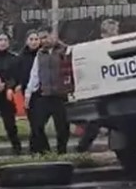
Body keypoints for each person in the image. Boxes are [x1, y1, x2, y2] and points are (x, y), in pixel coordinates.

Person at [25, 28, 72, 155]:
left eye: (46, 37)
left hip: (60, 95)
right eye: (41, 38)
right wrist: (29, 93)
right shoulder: (40, 54)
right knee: (37, 125)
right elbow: (35, 74)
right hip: (45, 94)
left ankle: (62, 151)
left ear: (53, 36)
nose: (43, 41)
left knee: (62, 127)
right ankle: (45, 151)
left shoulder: (65, 50)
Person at [76, 18, 118, 153]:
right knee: (96, 121)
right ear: (103, 34)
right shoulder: (97, 48)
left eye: (115, 31)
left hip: (116, 89)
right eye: (111, 32)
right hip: (102, 90)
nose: (114, 34)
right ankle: (82, 149)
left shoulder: (118, 45)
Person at [0, 34, 22, 155]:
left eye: (5, 40)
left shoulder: (13, 58)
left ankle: (17, 148)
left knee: (10, 123)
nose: (3, 42)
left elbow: (15, 76)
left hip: (7, 93)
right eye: (0, 40)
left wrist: (9, 87)